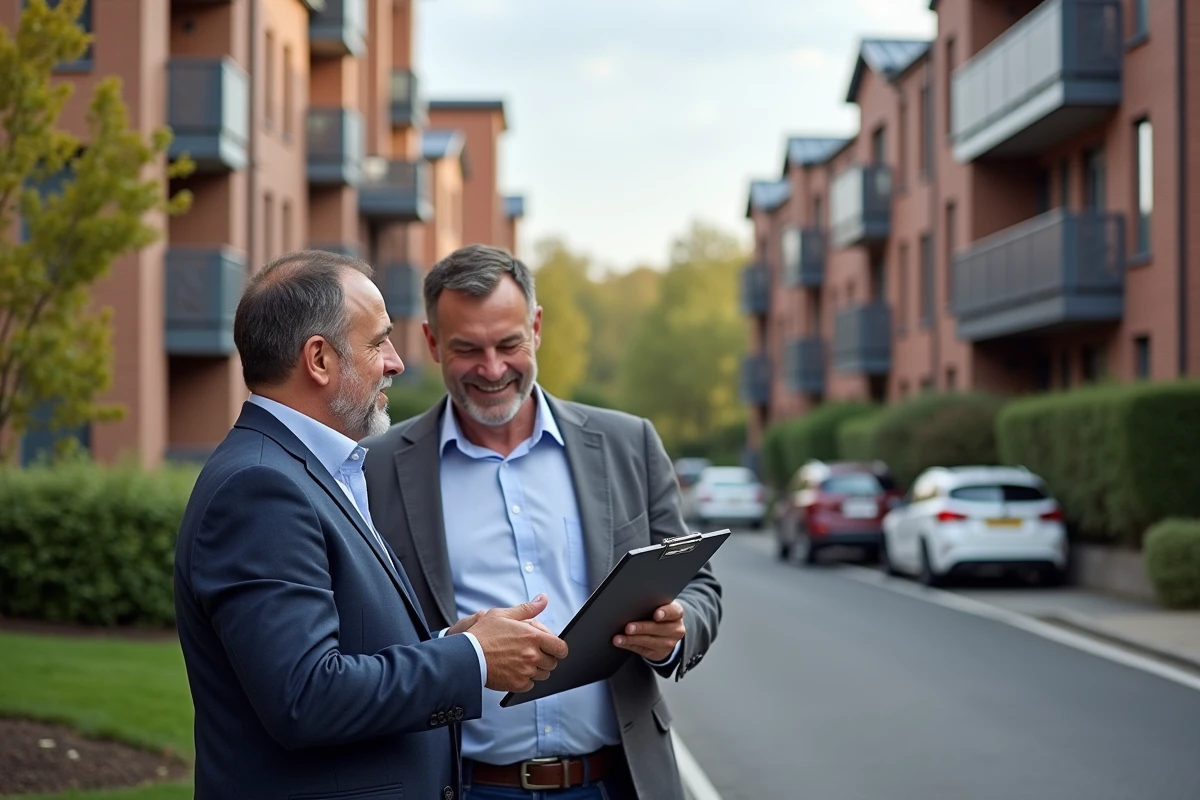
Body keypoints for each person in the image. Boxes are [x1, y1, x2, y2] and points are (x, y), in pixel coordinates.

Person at [173, 249, 570, 800]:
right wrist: (474, 659)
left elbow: (343, 652)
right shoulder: (261, 489)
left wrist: (450, 642)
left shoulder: (306, 471)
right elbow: (305, 696)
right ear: (319, 359)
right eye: (378, 341)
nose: (396, 362)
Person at [361, 244, 723, 800]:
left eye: (509, 343)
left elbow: (697, 582)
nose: (492, 368)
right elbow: (363, 634)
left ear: (536, 327)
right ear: (432, 343)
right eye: (467, 349)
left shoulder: (629, 444)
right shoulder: (377, 467)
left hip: (617, 781)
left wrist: (675, 630)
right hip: (463, 785)